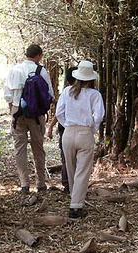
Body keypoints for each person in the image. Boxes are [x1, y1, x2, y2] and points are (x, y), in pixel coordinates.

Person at [55, 60, 105, 219]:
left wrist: (68, 126)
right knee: (82, 172)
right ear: (91, 78)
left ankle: (74, 200)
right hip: (85, 134)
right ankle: (76, 206)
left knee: (71, 169)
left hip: (68, 134)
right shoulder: (94, 94)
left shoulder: (67, 91)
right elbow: (99, 116)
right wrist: (91, 130)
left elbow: (58, 113)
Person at [4, 44, 55, 194]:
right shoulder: (41, 71)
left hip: (17, 112)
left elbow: (7, 94)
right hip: (36, 115)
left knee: (20, 149)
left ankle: (24, 184)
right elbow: (50, 95)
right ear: (39, 55)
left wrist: (13, 109)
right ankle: (40, 183)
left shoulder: (14, 70)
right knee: (38, 148)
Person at [47, 65, 78, 193]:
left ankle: (68, 184)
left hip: (66, 128)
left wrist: (53, 126)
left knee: (66, 157)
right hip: (77, 129)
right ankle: (74, 185)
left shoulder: (66, 92)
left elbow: (59, 112)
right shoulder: (88, 93)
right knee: (74, 157)